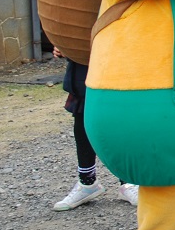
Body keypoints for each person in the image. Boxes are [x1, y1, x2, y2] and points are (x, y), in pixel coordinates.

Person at [52, 47, 138, 211]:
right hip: (83, 57)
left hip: (117, 49)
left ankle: (128, 183)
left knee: (119, 115)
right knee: (82, 112)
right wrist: (63, 44)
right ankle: (87, 182)